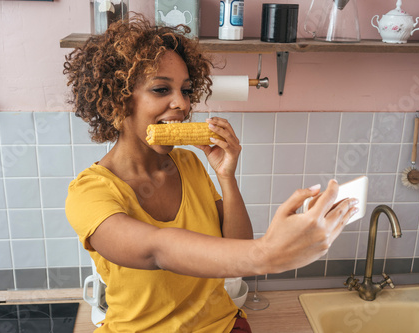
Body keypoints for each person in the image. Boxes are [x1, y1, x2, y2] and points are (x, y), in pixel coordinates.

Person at [64, 16, 358, 333]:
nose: (182, 104)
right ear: (115, 101)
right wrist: (268, 254)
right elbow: (155, 250)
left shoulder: (189, 164)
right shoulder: (90, 193)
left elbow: (236, 246)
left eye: (187, 91)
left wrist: (226, 175)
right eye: (161, 89)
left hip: (219, 326)